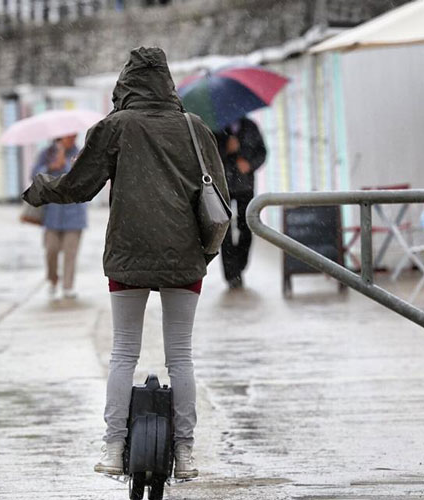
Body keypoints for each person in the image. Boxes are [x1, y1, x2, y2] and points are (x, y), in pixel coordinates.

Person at [22, 47, 229, 479]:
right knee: (181, 358)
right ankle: (186, 453)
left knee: (123, 354)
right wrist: (202, 255)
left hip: (128, 253)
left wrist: (40, 188)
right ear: (168, 84)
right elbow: (220, 200)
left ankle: (114, 448)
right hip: (183, 257)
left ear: (126, 83)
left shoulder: (116, 127)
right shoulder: (195, 128)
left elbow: (79, 186)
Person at [31, 135, 87, 299]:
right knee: (51, 250)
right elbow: (34, 175)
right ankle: (53, 280)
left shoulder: (80, 153)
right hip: (52, 214)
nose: (73, 138)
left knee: (71, 252)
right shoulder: (46, 154)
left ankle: (68, 286)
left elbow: (83, 178)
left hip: (74, 214)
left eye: (75, 135)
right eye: (69, 135)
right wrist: (51, 166)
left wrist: (67, 166)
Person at [215, 117, 267, 289]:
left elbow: (262, 152)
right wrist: (225, 149)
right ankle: (231, 274)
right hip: (224, 185)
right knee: (225, 230)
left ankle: (240, 264)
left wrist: (250, 164)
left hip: (246, 185)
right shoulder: (216, 128)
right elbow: (207, 155)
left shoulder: (251, 126)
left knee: (248, 226)